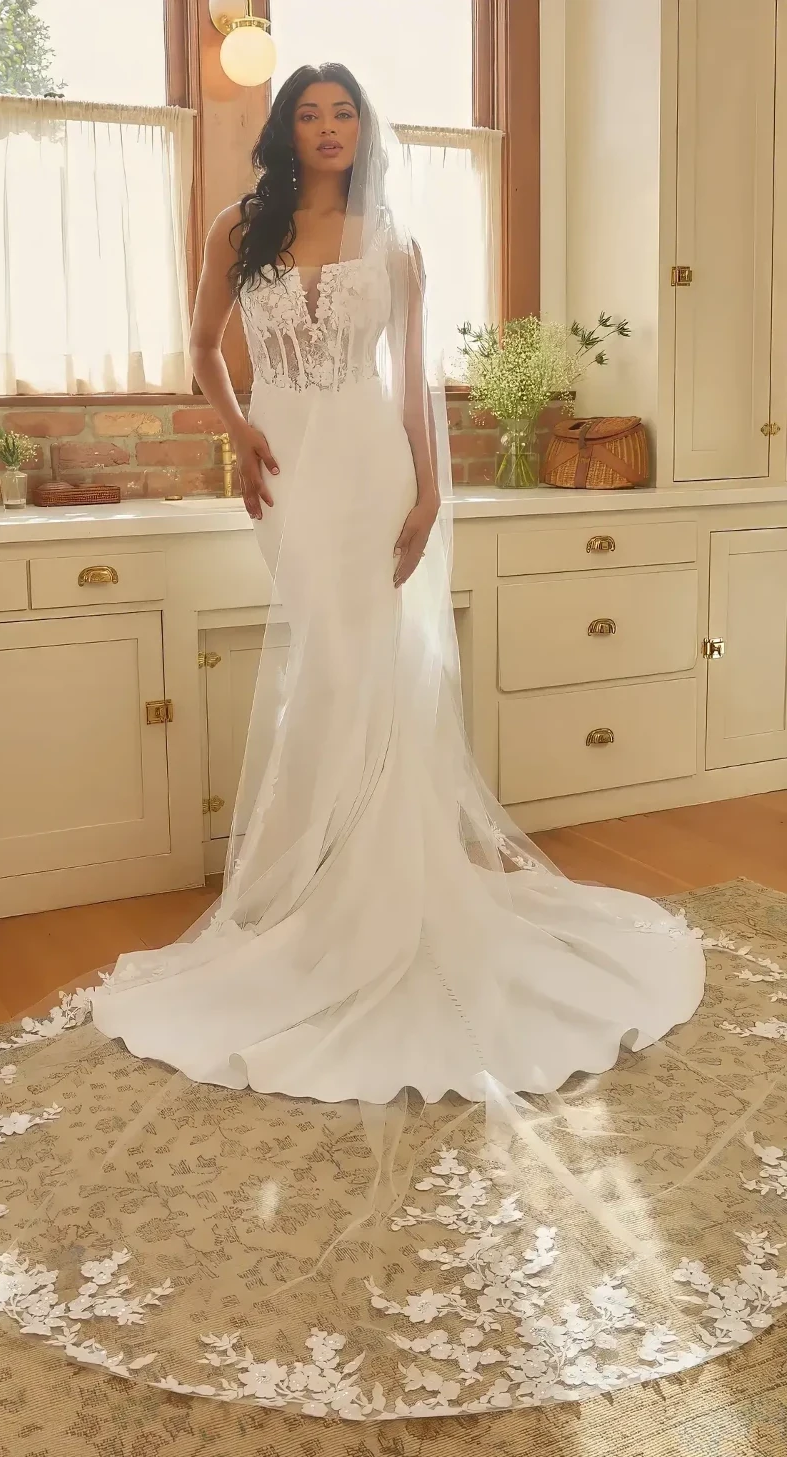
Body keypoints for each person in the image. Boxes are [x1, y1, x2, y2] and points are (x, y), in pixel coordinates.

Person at [80, 63, 703, 1102]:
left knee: (367, 663)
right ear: (285, 129)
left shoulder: (397, 244)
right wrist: (237, 434)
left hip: (372, 467)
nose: (327, 129)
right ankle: (319, 887)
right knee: (328, 665)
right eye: (309, 114)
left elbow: (410, 383)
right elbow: (200, 348)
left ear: (363, 133)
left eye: (343, 115)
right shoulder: (237, 229)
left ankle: (375, 889)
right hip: (288, 473)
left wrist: (425, 496)